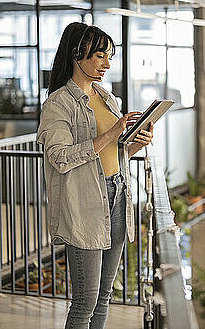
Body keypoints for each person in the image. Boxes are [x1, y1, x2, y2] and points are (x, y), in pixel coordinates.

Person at [36, 22, 154, 329]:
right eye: (99, 55)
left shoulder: (106, 97)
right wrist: (114, 131)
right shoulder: (58, 104)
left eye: (109, 56)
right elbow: (60, 157)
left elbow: (112, 154)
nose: (106, 63)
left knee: (104, 296)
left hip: (116, 194)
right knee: (85, 302)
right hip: (85, 203)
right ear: (77, 54)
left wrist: (132, 144)